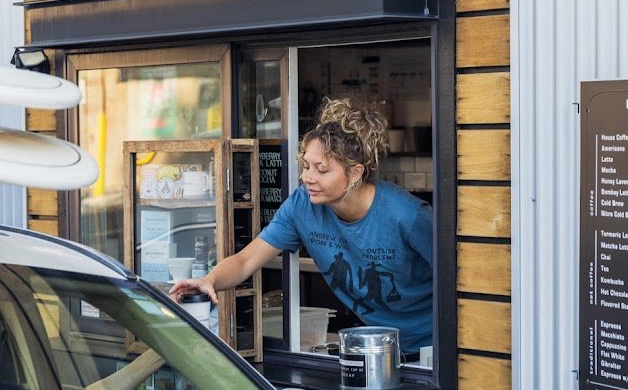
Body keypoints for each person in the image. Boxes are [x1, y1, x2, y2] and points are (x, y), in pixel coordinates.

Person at [170, 97, 433, 357]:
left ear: (355, 173)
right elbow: (245, 261)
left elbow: (459, 278)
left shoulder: (407, 216)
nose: (307, 177)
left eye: (322, 169)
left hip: (432, 348)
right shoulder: (302, 206)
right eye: (306, 166)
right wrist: (209, 281)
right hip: (376, 345)